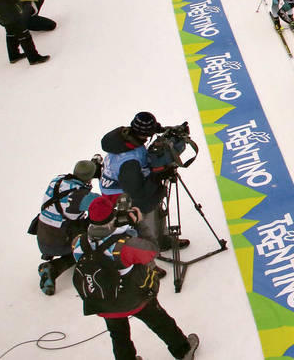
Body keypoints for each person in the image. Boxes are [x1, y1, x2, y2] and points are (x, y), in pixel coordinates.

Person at [71, 196, 200, 360]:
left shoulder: (78, 243)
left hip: (102, 301)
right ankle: (183, 350)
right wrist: (139, 224)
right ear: (113, 216)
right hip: (134, 298)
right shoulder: (124, 246)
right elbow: (152, 250)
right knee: (160, 322)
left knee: (118, 335)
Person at [99, 112, 186, 250]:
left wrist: (164, 130)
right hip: (120, 194)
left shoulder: (127, 135)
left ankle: (160, 237)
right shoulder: (130, 161)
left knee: (155, 193)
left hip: (124, 182)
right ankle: (153, 245)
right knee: (148, 204)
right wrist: (157, 176)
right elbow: (137, 193)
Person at [33, 158, 99, 295]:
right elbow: (103, 206)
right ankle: (54, 268)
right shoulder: (82, 197)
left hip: (42, 235)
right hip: (60, 242)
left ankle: (51, 258)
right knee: (93, 237)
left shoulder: (57, 180)